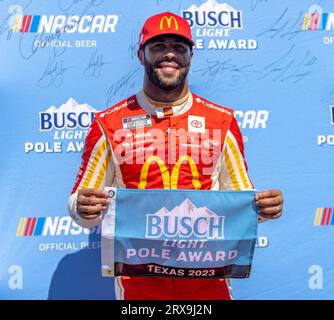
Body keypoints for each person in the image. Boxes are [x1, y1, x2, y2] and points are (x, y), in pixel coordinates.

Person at [68, 12, 283, 300]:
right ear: (140, 54)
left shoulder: (221, 121)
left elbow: (240, 200)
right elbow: (81, 207)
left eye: (179, 47)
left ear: (190, 56)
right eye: (158, 46)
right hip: (138, 288)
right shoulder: (110, 122)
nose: (169, 54)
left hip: (208, 287)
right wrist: (81, 207)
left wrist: (264, 209)